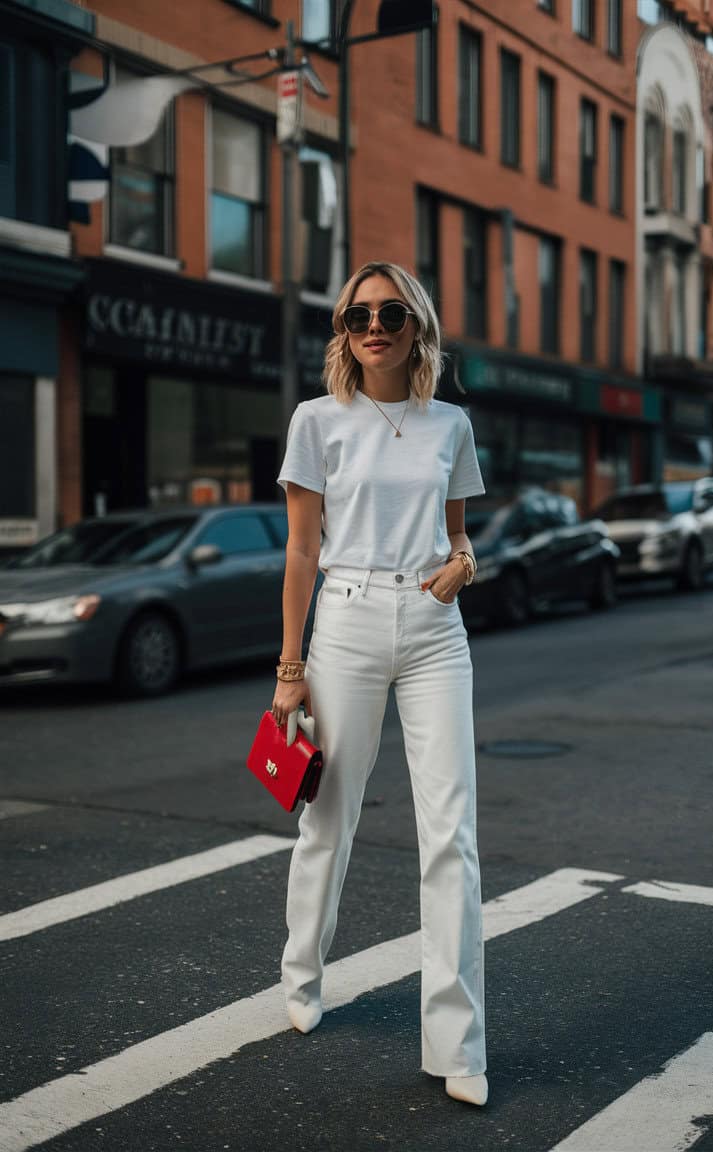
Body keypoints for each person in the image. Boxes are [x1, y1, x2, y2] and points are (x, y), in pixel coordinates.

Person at [272, 261, 488, 1106]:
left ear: (416, 327)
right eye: (358, 313)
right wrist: (290, 668)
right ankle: (301, 973)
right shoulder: (317, 421)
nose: (373, 325)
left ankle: (459, 1043)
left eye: (391, 313)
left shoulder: (451, 425)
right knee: (328, 815)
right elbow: (299, 552)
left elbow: (460, 538)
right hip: (349, 621)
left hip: (435, 632)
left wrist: (462, 566)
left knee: (452, 834)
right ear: (343, 328)